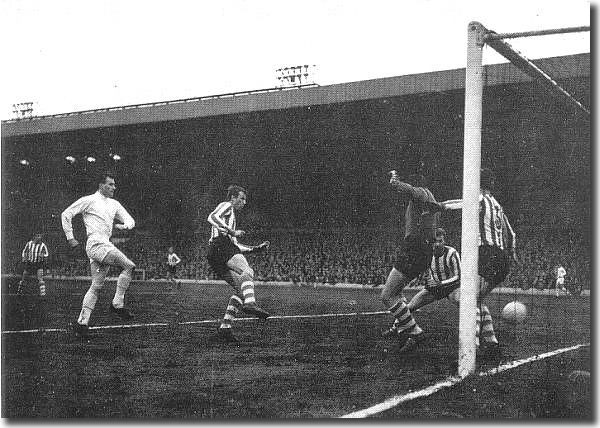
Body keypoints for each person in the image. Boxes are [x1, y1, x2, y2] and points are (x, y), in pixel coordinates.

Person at [61, 172, 136, 337]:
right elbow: (66, 214)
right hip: (96, 243)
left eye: (114, 185)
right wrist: (70, 237)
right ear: (101, 185)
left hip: (104, 244)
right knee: (129, 266)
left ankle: (82, 322)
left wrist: (124, 227)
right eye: (110, 184)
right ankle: (117, 304)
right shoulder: (89, 200)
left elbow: (130, 220)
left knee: (96, 286)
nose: (113, 187)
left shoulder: (114, 204)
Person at [380, 170, 444, 352]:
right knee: (397, 292)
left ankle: (415, 332)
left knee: (387, 295)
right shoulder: (429, 199)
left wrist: (396, 183)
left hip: (414, 248)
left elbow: (412, 191)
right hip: (421, 249)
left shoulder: (422, 193)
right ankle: (402, 330)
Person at [207, 185, 270, 343]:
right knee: (248, 271)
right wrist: (232, 231)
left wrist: (256, 249)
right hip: (220, 245)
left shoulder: (231, 219)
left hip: (217, 255)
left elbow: (236, 247)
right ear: (233, 198)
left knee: (242, 289)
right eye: (241, 198)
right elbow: (212, 217)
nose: (244, 202)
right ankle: (251, 303)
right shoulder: (226, 205)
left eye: (245, 199)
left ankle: (225, 329)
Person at [473, 168, 518, 358]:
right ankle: (491, 342)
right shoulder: (498, 205)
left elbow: (461, 204)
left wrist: (440, 206)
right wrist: (513, 252)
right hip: (502, 258)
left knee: (470, 299)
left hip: (487, 253)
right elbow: (512, 234)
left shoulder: (479, 199)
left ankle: (471, 347)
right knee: (478, 299)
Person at [405, 228, 461, 313]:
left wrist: (440, 283)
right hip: (434, 288)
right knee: (410, 307)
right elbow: (420, 268)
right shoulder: (427, 253)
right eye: (435, 241)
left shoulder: (452, 253)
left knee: (463, 302)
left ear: (444, 241)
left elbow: (459, 276)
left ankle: (479, 323)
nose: (437, 244)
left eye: (440, 241)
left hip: (452, 287)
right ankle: (395, 326)